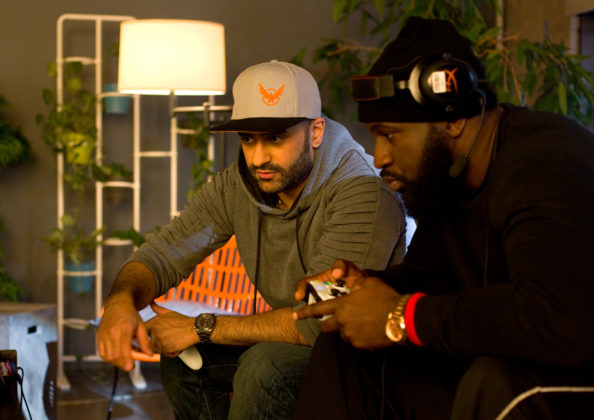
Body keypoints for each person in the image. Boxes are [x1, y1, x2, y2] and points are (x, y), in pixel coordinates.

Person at [292, 17, 594, 419]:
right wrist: (366, 291)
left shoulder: (550, 168)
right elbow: (431, 279)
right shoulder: (450, 179)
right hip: (521, 358)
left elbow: (558, 322)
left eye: (390, 134)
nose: (379, 156)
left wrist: (400, 315)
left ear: (452, 120)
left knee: (497, 384)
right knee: (350, 346)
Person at [96, 60, 406, 419]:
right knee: (186, 360)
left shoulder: (363, 193)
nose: (258, 158)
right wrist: (120, 301)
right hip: (295, 339)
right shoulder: (241, 183)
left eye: (275, 138)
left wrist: (200, 327)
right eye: (247, 139)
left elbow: (319, 317)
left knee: (266, 367)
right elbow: (165, 252)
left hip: (364, 357)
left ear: (316, 132)